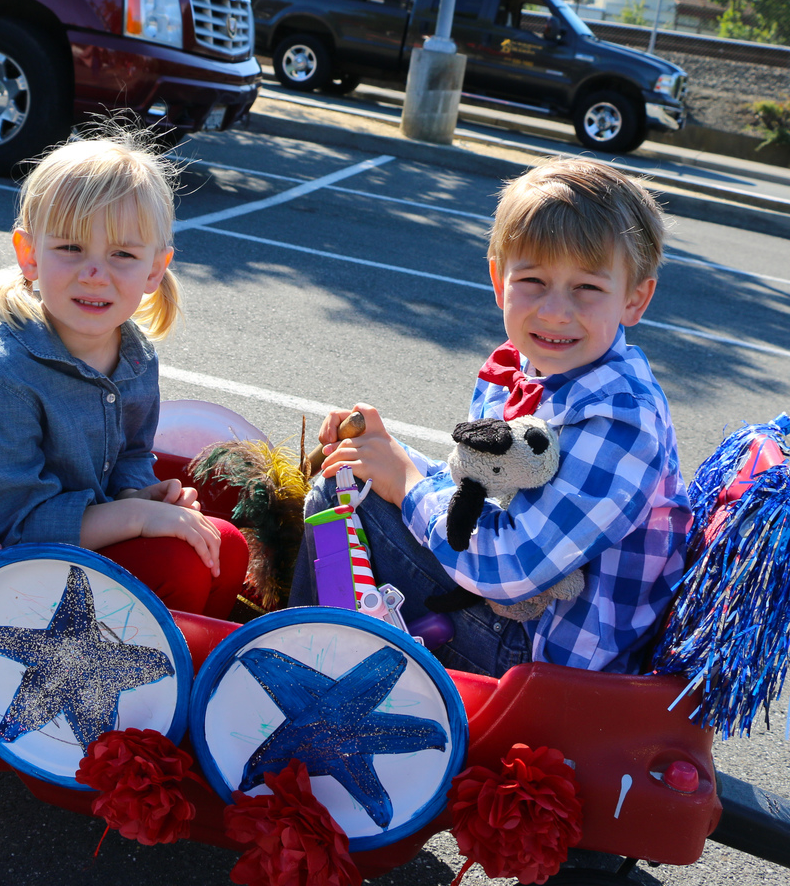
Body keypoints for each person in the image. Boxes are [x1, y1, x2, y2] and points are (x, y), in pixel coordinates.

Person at [290, 158, 691, 676]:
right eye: (534, 281)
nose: (554, 311)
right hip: (513, 612)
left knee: (335, 502)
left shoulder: (619, 418)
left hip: (544, 657)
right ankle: (333, 654)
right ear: (500, 280)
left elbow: (511, 563)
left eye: (587, 288)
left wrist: (405, 481)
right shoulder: (523, 367)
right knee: (346, 473)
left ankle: (301, 665)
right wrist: (384, 456)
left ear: (635, 298)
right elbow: (479, 493)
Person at [0, 133, 248, 618]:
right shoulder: (2, 379)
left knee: (226, 546)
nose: (95, 273)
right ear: (30, 255)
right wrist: (136, 515)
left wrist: (138, 492)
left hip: (76, 542)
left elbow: (132, 453)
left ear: (155, 270)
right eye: (71, 247)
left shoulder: (134, 357)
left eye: (122, 255)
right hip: (1, 571)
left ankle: (203, 670)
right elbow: (18, 524)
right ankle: (149, 682)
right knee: (178, 565)